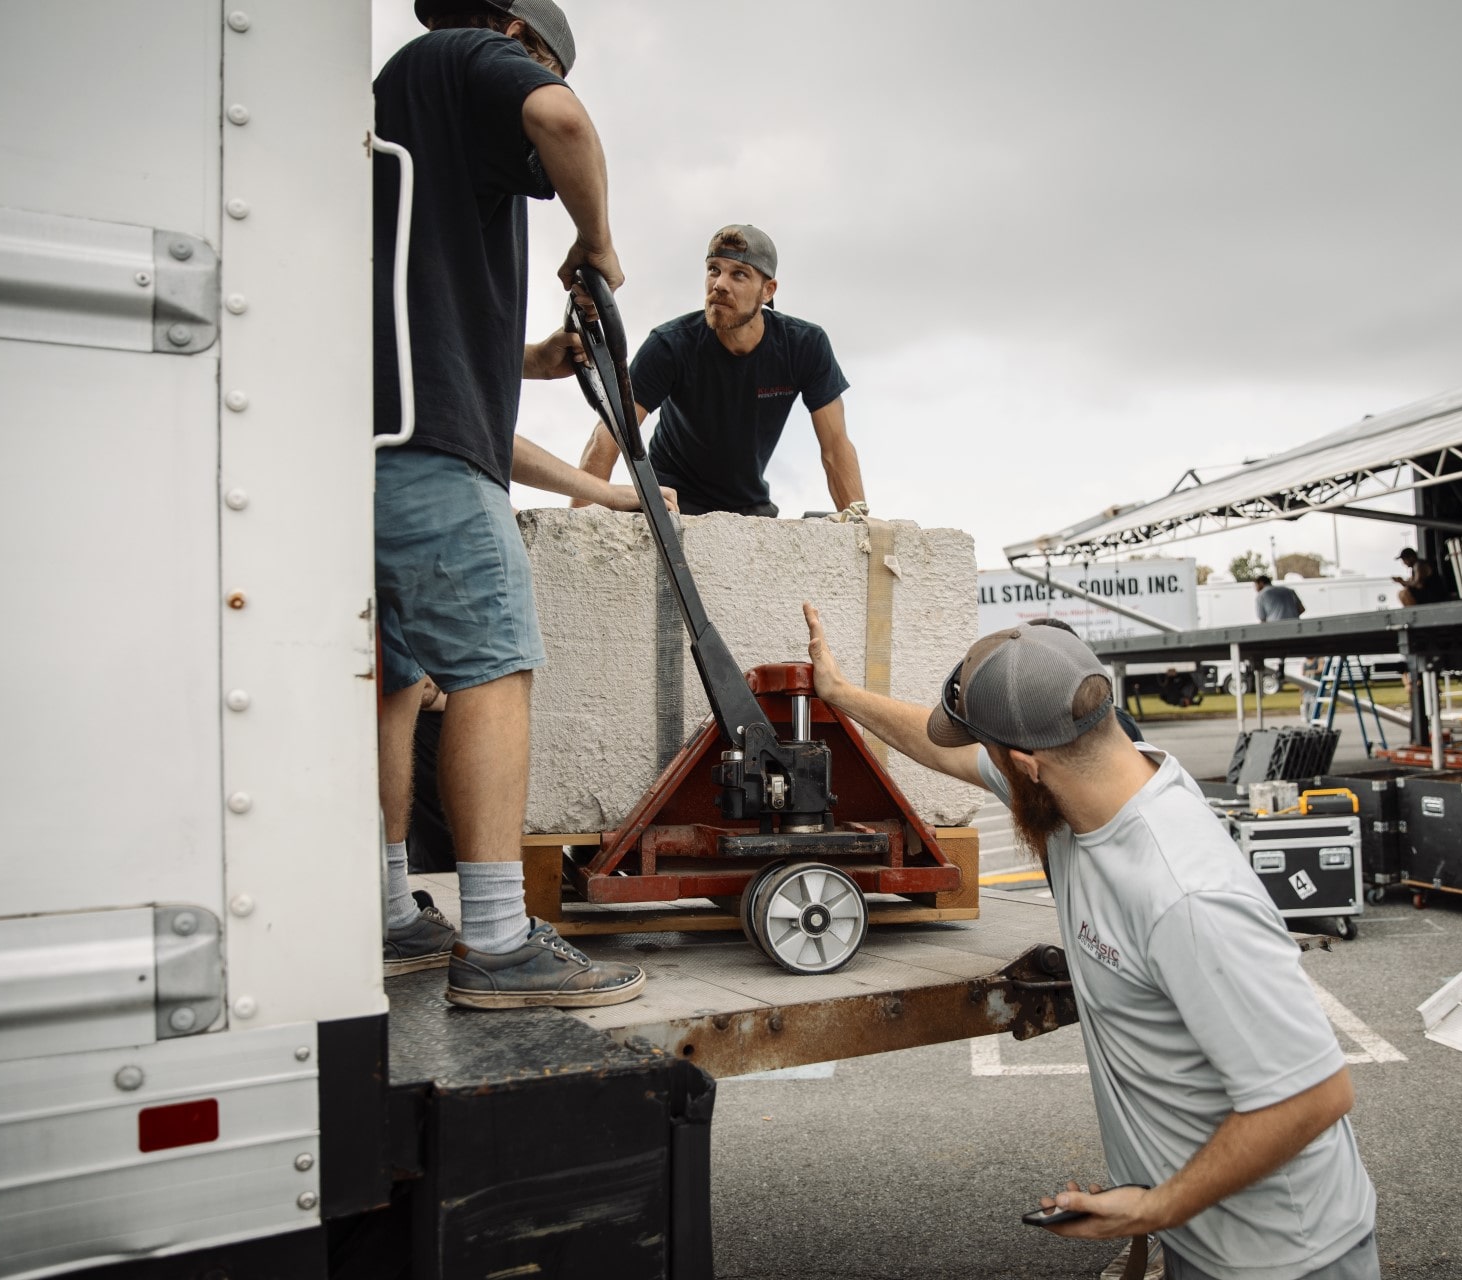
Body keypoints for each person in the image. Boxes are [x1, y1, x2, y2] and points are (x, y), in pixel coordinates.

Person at [800, 606, 1379, 1280]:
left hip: (1287, 1259)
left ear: (1025, 764)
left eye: (990, 754)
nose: (979, 764)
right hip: (1208, 1239)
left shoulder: (1185, 894)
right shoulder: (1087, 792)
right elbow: (940, 748)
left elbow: (1314, 1097)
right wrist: (840, 693)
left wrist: (1152, 1210)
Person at [374, 0, 668, 1008]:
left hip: (377, 453)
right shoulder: (470, 58)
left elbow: (470, 410)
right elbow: (565, 124)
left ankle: (386, 909)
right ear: (517, 34)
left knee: (396, 682)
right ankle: (497, 940)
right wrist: (599, 242)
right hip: (425, 466)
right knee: (495, 662)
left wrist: (596, 478)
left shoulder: (403, 138)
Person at [571, 224, 867, 517]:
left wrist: (862, 529)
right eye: (714, 269)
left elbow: (835, 448)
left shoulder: (804, 345)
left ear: (768, 290)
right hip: (670, 500)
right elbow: (608, 437)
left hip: (748, 504)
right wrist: (577, 531)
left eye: (739, 274)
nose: (720, 284)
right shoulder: (670, 345)